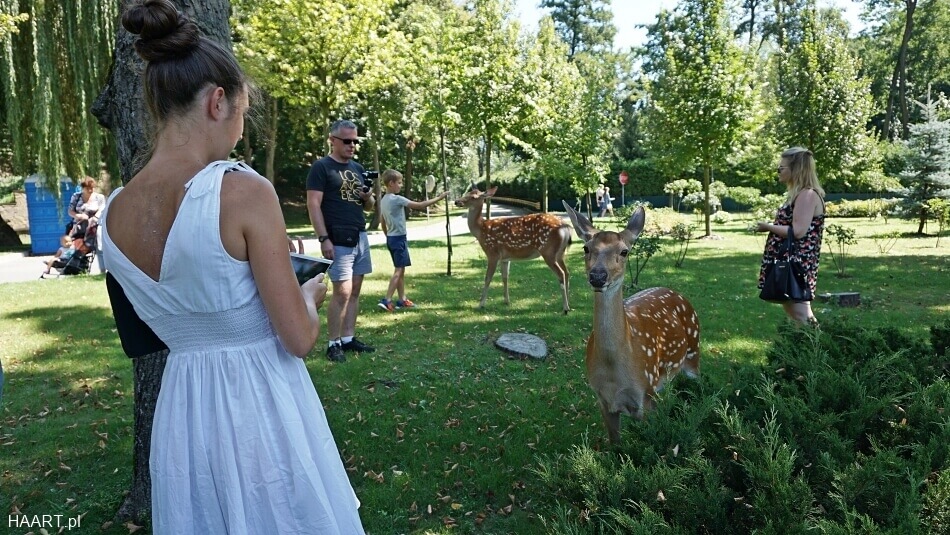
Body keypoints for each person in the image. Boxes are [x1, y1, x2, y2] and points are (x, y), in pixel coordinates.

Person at [99, 2, 364, 533]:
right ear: (217, 102)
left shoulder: (113, 211)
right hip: (258, 407)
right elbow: (298, 338)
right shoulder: (243, 190)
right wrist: (308, 295)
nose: (240, 133)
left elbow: (174, 308)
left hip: (182, 411)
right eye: (242, 115)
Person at [306, 119, 377, 362]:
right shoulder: (321, 167)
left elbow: (368, 206)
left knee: (355, 290)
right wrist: (323, 238)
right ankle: (333, 343)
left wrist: (368, 197)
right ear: (333, 140)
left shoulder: (358, 168)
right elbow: (313, 204)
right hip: (336, 237)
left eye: (355, 141)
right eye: (347, 141)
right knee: (342, 291)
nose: (352, 145)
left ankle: (348, 339)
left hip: (359, 234)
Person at [756, 147, 826, 325]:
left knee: (800, 313)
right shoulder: (800, 194)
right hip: (790, 260)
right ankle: (805, 348)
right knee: (794, 310)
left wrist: (768, 227)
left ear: (796, 170)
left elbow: (798, 231)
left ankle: (816, 348)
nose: (778, 171)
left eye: (782, 168)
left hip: (796, 264)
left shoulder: (807, 195)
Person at [377, 169, 448, 311]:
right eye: (399, 182)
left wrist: (388, 236)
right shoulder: (397, 199)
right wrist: (440, 198)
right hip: (398, 239)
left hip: (392, 239)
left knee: (401, 270)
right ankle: (387, 299)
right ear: (391, 183)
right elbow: (420, 205)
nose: (401, 185)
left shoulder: (383, 200)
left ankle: (402, 299)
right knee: (398, 271)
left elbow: (382, 221)